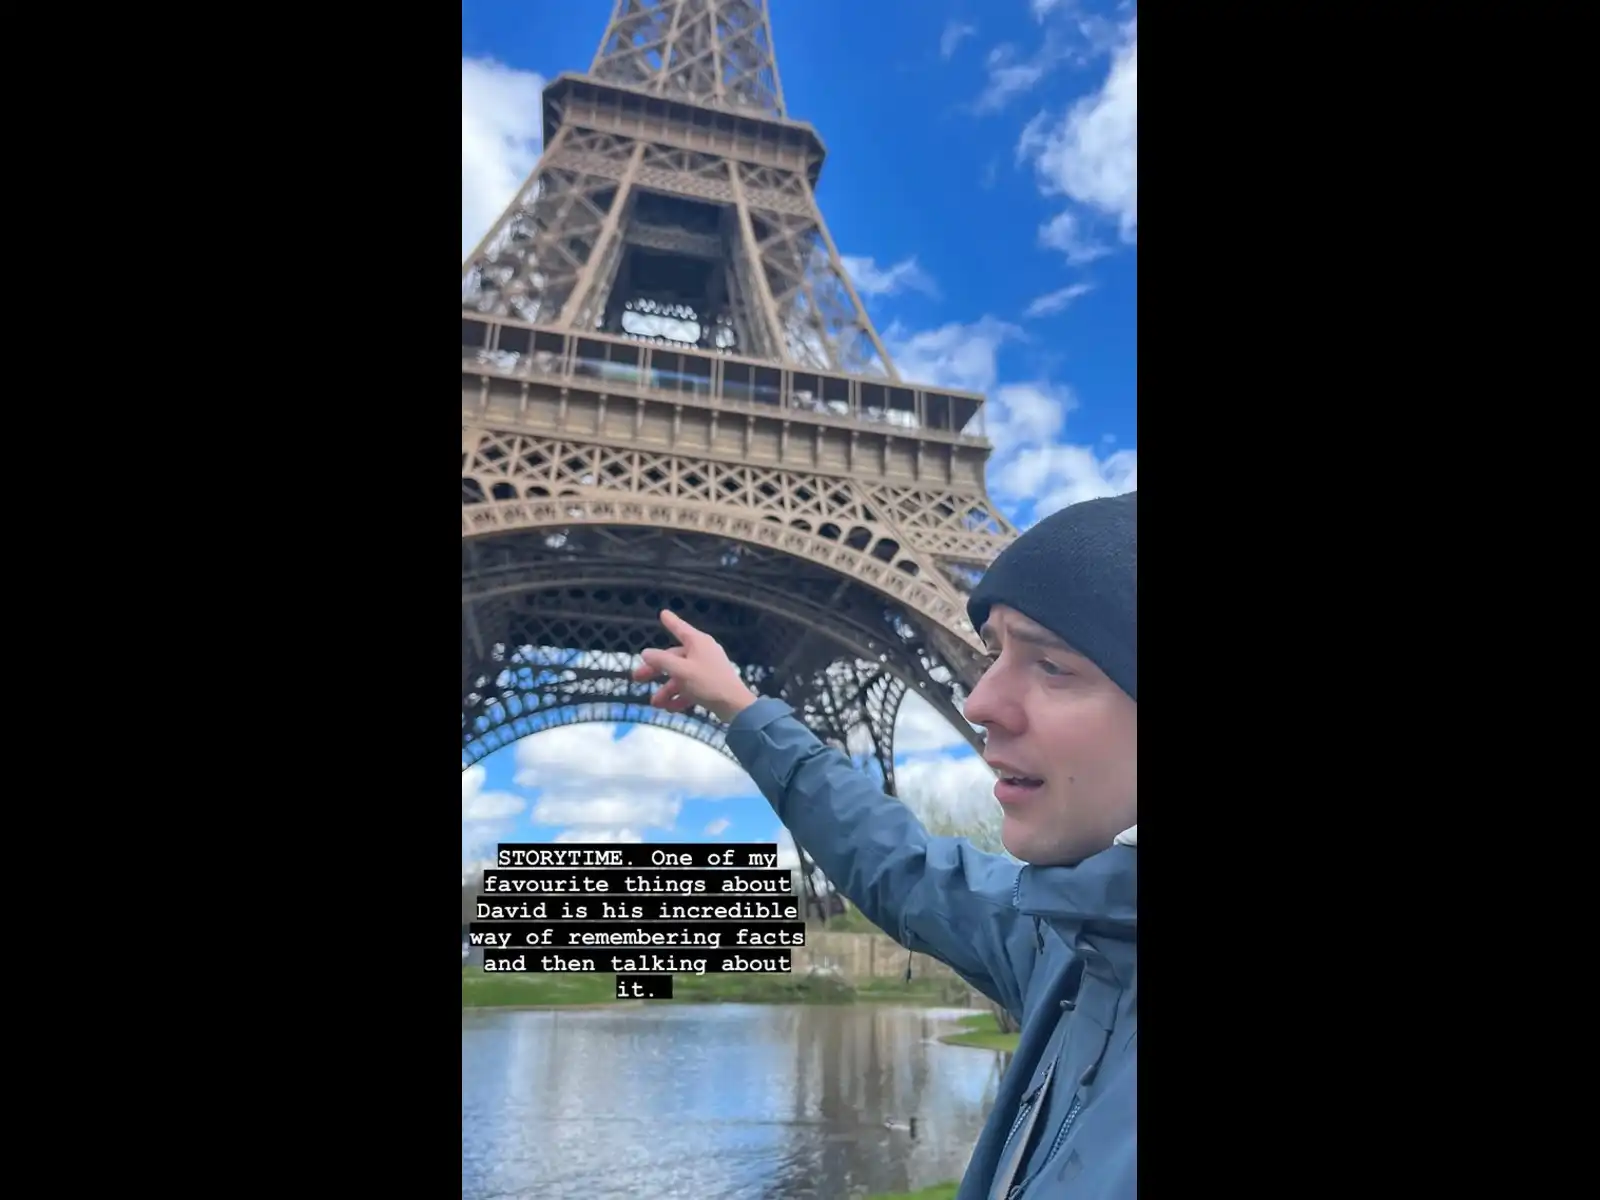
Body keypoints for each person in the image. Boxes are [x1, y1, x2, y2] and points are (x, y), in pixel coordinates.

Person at [632, 491, 1137, 1199]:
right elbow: (903, 867)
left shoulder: (1074, 945)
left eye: (1052, 664)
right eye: (993, 653)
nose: (979, 703)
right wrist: (742, 709)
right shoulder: (1074, 947)